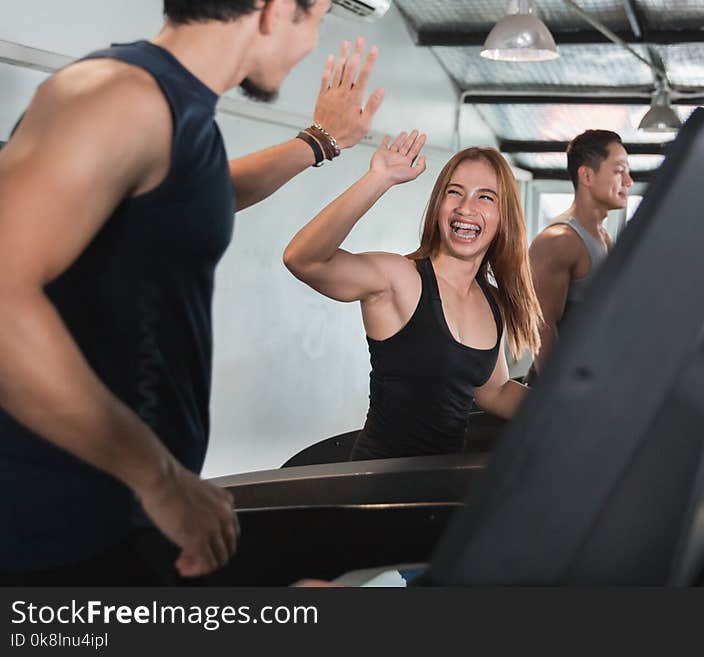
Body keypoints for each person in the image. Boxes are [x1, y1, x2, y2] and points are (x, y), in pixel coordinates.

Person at [0, 0, 384, 584]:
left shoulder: (177, 114)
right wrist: (161, 478)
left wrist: (320, 142)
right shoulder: (118, 96)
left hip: (124, 513)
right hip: (52, 526)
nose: (311, 44)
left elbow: (200, 196)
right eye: (318, 18)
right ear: (275, 11)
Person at [284, 136, 542, 460]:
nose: (466, 208)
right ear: (438, 206)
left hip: (437, 491)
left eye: (485, 197)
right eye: (454, 192)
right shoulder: (399, 278)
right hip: (379, 489)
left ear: (504, 217)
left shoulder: (493, 303)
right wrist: (378, 179)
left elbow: (495, 392)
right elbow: (303, 259)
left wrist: (568, 407)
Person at [527, 129, 632, 380]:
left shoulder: (604, 237)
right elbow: (541, 327)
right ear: (586, 175)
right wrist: (560, 400)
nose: (628, 181)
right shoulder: (560, 241)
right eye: (619, 171)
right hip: (558, 394)